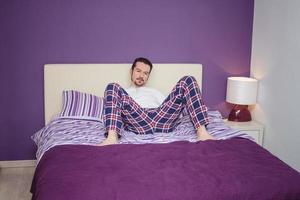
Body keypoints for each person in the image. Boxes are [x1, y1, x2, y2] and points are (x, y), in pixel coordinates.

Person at [99, 57, 214, 146]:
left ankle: (202, 133)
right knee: (112, 86)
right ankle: (112, 137)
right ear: (131, 71)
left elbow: (171, 109)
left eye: (145, 73)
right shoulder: (123, 93)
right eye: (138, 71)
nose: (141, 75)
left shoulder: (155, 92)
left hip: (161, 118)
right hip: (138, 120)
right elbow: (114, 110)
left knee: (188, 79)